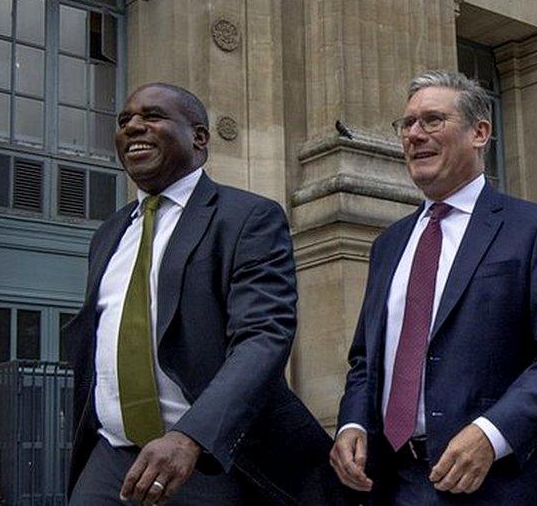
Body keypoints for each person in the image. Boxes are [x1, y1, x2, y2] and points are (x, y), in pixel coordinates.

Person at [62, 83, 344, 505]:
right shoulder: (108, 234)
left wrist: (191, 435)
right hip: (112, 459)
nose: (134, 127)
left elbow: (263, 337)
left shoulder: (248, 218)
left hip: (208, 457)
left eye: (152, 116)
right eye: (124, 121)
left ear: (199, 137)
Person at [330, 70, 537, 503]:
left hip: (503, 483)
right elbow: (365, 361)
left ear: (480, 132)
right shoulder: (388, 245)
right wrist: (352, 423)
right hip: (398, 483)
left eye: (432, 120)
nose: (415, 134)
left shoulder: (535, 229)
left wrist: (492, 434)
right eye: (408, 123)